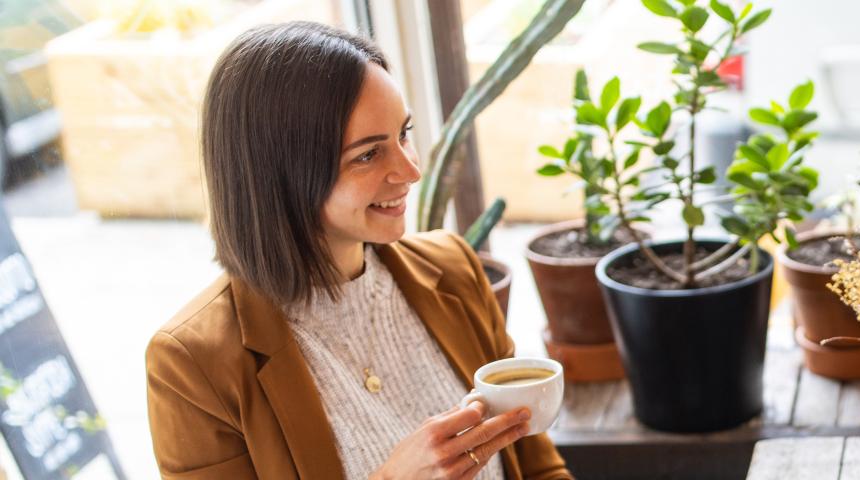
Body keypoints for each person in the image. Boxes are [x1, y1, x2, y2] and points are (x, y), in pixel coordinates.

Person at [144, 21, 570, 480]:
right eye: (368, 155)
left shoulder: (454, 269)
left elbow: (538, 467)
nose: (409, 171)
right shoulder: (193, 364)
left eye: (403, 134)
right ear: (281, 176)